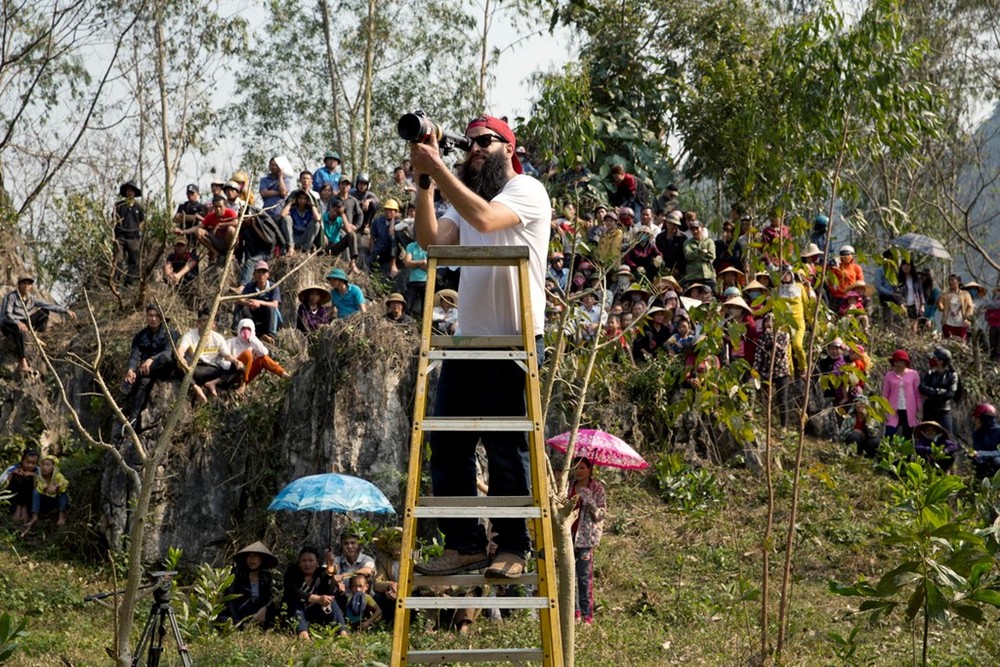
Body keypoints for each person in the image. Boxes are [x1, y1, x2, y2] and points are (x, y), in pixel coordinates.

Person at [409, 115, 548, 580]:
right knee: (446, 443)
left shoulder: (527, 191)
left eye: (485, 141)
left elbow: (487, 221)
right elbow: (430, 240)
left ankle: (513, 545)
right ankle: (465, 543)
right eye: (467, 144)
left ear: (511, 148)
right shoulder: (463, 203)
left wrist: (441, 171)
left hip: (515, 339)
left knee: (507, 446)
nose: (474, 150)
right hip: (469, 341)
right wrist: (426, 180)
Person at [1, 276, 76, 376]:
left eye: (29, 284)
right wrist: (17, 323)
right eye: (24, 283)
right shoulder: (11, 297)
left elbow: (48, 305)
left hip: (24, 322)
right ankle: (22, 362)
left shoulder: (30, 298)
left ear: (31, 287)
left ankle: (35, 335)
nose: (26, 286)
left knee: (44, 311)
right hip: (8, 323)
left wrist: (65, 310)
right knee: (19, 332)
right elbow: (7, 314)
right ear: (18, 284)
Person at [121, 304, 178, 428]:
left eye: (156, 316)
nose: (153, 319)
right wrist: (130, 370)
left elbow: (168, 353)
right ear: (146, 317)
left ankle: (134, 378)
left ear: (162, 318)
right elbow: (135, 355)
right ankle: (133, 419)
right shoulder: (140, 336)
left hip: (165, 369)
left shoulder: (171, 333)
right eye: (150, 316)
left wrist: (151, 359)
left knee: (164, 358)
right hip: (147, 373)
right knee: (143, 383)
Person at [175, 307, 241, 403]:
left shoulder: (218, 338)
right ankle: (195, 387)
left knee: (239, 367)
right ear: (198, 322)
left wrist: (235, 361)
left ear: (214, 324)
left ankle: (212, 383)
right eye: (203, 320)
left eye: (209, 321)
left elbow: (227, 356)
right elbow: (181, 349)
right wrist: (181, 358)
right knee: (178, 360)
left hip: (212, 370)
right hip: (196, 368)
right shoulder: (190, 335)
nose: (206, 324)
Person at [282, 546, 348, 640]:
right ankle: (303, 633)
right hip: (295, 611)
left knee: (330, 600)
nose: (307, 564)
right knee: (296, 602)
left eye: (311, 561)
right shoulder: (292, 572)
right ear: (299, 563)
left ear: (317, 562)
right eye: (304, 561)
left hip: (314, 612)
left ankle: (342, 632)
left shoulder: (320, 573)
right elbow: (293, 591)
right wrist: (317, 599)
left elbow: (329, 591)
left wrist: (331, 571)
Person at [569, 456, 605, 625]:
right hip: (568, 537)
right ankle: (574, 613)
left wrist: (589, 499)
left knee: (584, 578)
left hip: (585, 539)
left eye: (582, 467)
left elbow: (600, 515)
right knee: (570, 577)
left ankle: (586, 616)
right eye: (575, 467)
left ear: (589, 470)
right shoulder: (569, 486)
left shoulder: (597, 488)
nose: (578, 470)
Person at [218, 541, 278, 628]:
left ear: (262, 559)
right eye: (249, 556)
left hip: (256, 615)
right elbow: (229, 598)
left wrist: (263, 611)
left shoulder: (266, 577)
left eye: (256, 556)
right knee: (223, 620)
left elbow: (268, 599)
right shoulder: (236, 573)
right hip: (236, 613)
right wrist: (236, 622)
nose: (252, 559)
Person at [226, 319, 291, 394]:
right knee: (247, 354)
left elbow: (264, 353)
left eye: (248, 329)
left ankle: (285, 375)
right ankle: (242, 385)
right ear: (239, 329)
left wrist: (253, 340)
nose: (245, 331)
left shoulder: (253, 343)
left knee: (263, 359)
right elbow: (223, 356)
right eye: (243, 328)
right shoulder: (232, 342)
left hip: (247, 375)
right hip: (233, 373)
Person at [22, 453, 68, 534]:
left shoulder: (58, 476)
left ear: (53, 467)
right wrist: (46, 487)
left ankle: (61, 516)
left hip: (55, 500)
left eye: (48, 465)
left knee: (63, 495)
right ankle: (34, 516)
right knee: (35, 492)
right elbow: (39, 486)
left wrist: (57, 486)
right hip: (45, 500)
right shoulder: (40, 477)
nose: (45, 468)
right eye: (43, 465)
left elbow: (65, 483)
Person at [235, 260, 281, 342]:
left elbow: (275, 304)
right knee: (240, 306)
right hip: (254, 316)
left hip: (268, 318)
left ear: (268, 275)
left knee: (271, 308)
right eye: (259, 272)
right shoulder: (250, 286)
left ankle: (270, 335)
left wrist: (259, 303)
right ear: (254, 275)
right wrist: (250, 303)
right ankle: (236, 329)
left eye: (264, 272)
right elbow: (239, 299)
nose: (261, 275)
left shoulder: (273, 287)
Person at [881, 349, 921, 440]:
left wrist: (920, 411)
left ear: (905, 362)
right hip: (893, 410)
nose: (898, 364)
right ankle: (887, 453)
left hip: (909, 410)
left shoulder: (913, 374)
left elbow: (917, 394)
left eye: (900, 361)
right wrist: (884, 411)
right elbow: (885, 395)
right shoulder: (889, 375)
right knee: (889, 434)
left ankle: (907, 454)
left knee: (908, 436)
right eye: (895, 361)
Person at [113, 181, 144, 285]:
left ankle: (128, 283)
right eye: (128, 190)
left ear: (135, 193)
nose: (130, 192)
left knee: (133, 261)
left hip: (133, 238)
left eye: (132, 190)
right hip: (120, 236)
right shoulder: (119, 205)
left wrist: (137, 232)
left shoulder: (139, 207)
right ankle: (115, 281)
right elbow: (113, 220)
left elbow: (142, 221)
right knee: (118, 259)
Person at [371, 527, 402, 624]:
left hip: (411, 592)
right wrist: (390, 586)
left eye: (397, 541)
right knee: (378, 597)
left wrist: (400, 590)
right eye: (390, 542)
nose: (394, 545)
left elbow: (417, 583)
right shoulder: (384, 560)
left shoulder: (415, 558)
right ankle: (388, 621)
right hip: (392, 593)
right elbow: (377, 583)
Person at [279, 188, 322, 256]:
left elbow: (318, 218)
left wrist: (312, 205)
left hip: (304, 238)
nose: (302, 200)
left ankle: (306, 250)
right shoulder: (293, 209)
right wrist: (290, 202)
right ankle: (291, 247)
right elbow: (282, 215)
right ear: (297, 199)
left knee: (316, 224)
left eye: (305, 199)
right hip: (293, 238)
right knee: (286, 219)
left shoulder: (310, 211)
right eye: (300, 198)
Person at [0, 449, 39, 522]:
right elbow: (2, 483)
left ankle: (24, 509)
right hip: (12, 497)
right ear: (22, 461)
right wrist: (12, 474)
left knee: (28, 479)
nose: (30, 465)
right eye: (27, 462)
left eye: (33, 463)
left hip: (30, 499)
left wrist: (34, 476)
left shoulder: (38, 471)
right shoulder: (12, 469)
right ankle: (17, 509)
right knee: (17, 478)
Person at [369, 199, 400, 281]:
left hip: (391, 250)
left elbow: (391, 233)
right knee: (369, 262)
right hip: (379, 250)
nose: (388, 212)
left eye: (391, 210)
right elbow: (372, 237)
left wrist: (393, 220)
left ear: (396, 212)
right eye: (386, 210)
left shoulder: (399, 223)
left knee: (392, 237)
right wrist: (371, 251)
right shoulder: (377, 221)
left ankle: (393, 265)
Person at [682, 219, 716, 290]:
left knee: (712, 295)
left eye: (697, 228)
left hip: (708, 274)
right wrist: (702, 251)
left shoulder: (709, 241)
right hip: (693, 276)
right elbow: (688, 256)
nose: (695, 231)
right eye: (692, 229)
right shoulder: (687, 243)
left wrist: (695, 253)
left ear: (702, 229)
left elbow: (712, 255)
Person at [939, 274, 974, 340]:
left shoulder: (965, 294)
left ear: (958, 282)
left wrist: (967, 318)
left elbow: (970, 307)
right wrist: (943, 308)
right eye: (949, 280)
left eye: (952, 280)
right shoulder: (946, 294)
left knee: (961, 343)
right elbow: (940, 303)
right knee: (948, 342)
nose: (950, 282)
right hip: (948, 323)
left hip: (961, 323)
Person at [970, 404, 1000, 479]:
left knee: (997, 461)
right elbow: (976, 450)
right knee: (978, 462)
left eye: (977, 418)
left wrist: (980, 454)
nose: (975, 421)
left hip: (996, 460)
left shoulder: (999, 432)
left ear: (984, 419)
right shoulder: (976, 434)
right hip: (984, 460)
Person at [402, 234, 429, 318]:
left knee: (427, 308)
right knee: (408, 305)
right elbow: (407, 263)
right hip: (413, 280)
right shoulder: (411, 246)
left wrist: (414, 263)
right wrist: (423, 262)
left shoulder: (430, 247)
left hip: (426, 281)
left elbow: (430, 267)